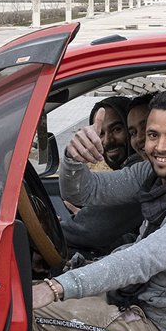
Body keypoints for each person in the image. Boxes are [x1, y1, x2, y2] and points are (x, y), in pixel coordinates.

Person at [31, 90, 166, 331]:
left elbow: (141, 260)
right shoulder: (155, 175)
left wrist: (57, 287)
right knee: (22, 294)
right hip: (133, 299)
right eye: (153, 135)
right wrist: (73, 159)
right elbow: (87, 192)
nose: (159, 147)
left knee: (26, 313)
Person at [61, 96, 141, 255]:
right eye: (101, 133)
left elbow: (90, 231)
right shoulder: (133, 170)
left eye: (117, 129)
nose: (108, 141)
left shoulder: (141, 173)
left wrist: (53, 232)